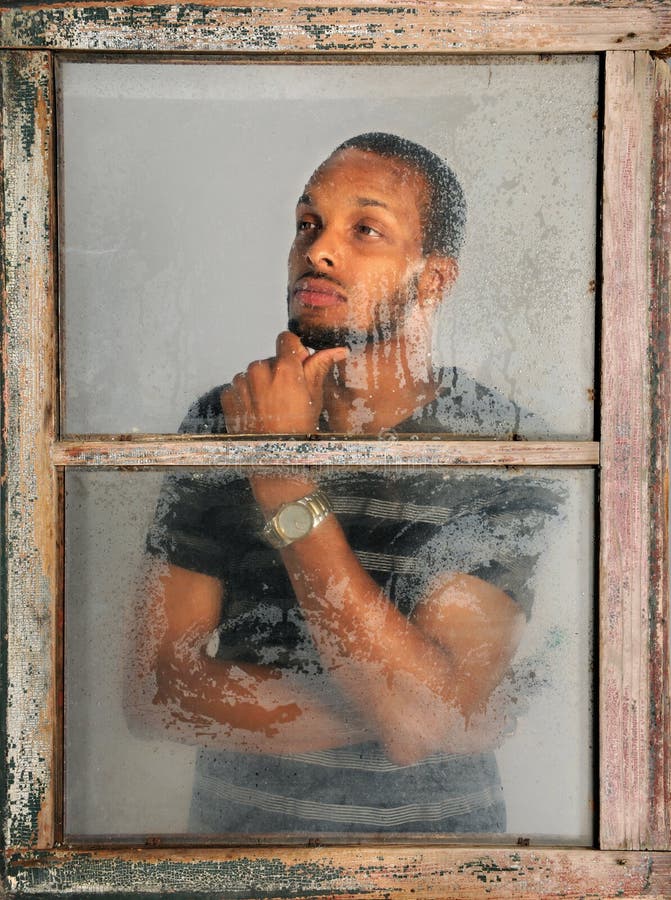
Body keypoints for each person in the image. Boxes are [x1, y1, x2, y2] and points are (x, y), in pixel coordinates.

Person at [132, 133, 563, 835]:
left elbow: (429, 713)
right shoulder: (220, 420)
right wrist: (401, 709)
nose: (318, 250)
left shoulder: (505, 445)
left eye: (364, 229)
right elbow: (158, 689)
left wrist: (282, 480)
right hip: (239, 871)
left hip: (436, 882)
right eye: (308, 223)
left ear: (432, 280)